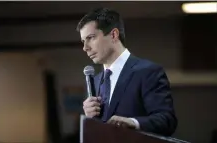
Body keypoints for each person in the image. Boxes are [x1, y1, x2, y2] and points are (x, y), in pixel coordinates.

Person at [76, 7, 177, 136]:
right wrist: (90, 118)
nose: (85, 48)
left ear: (113, 35)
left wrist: (133, 123)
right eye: (83, 41)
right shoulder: (94, 81)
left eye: (91, 38)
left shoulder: (148, 72)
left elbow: (167, 121)